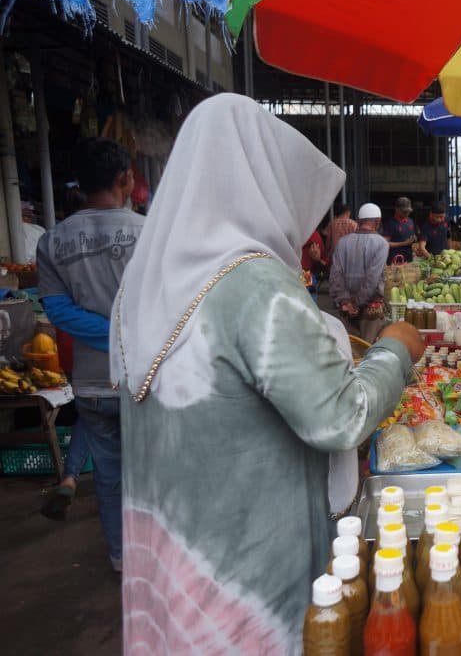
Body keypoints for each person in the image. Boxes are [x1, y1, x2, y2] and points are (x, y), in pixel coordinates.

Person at [111, 94, 424, 652]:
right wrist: (394, 350)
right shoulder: (251, 283)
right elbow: (338, 416)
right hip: (245, 570)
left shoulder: (141, 284)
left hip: (172, 567)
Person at [36, 137, 146, 567]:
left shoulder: (52, 241)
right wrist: (127, 337)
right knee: (155, 475)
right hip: (146, 377)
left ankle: (121, 559)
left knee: (108, 477)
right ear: (125, 178)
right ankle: (158, 562)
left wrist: (107, 335)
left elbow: (57, 310)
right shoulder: (151, 232)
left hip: (93, 383)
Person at [330, 202, 391, 341]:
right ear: (377, 222)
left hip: (345, 308)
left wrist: (346, 301)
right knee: (367, 349)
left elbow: (335, 275)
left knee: (350, 347)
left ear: (358, 221)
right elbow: (372, 279)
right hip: (370, 309)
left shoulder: (343, 242)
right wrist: (356, 303)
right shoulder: (381, 243)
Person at [381, 196, 417, 263]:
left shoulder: (410, 221)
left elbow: (413, 235)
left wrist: (414, 238)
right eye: (404, 211)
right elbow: (385, 243)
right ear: (396, 209)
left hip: (409, 259)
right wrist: (404, 243)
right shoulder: (390, 224)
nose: (407, 213)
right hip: (394, 260)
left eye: (408, 211)